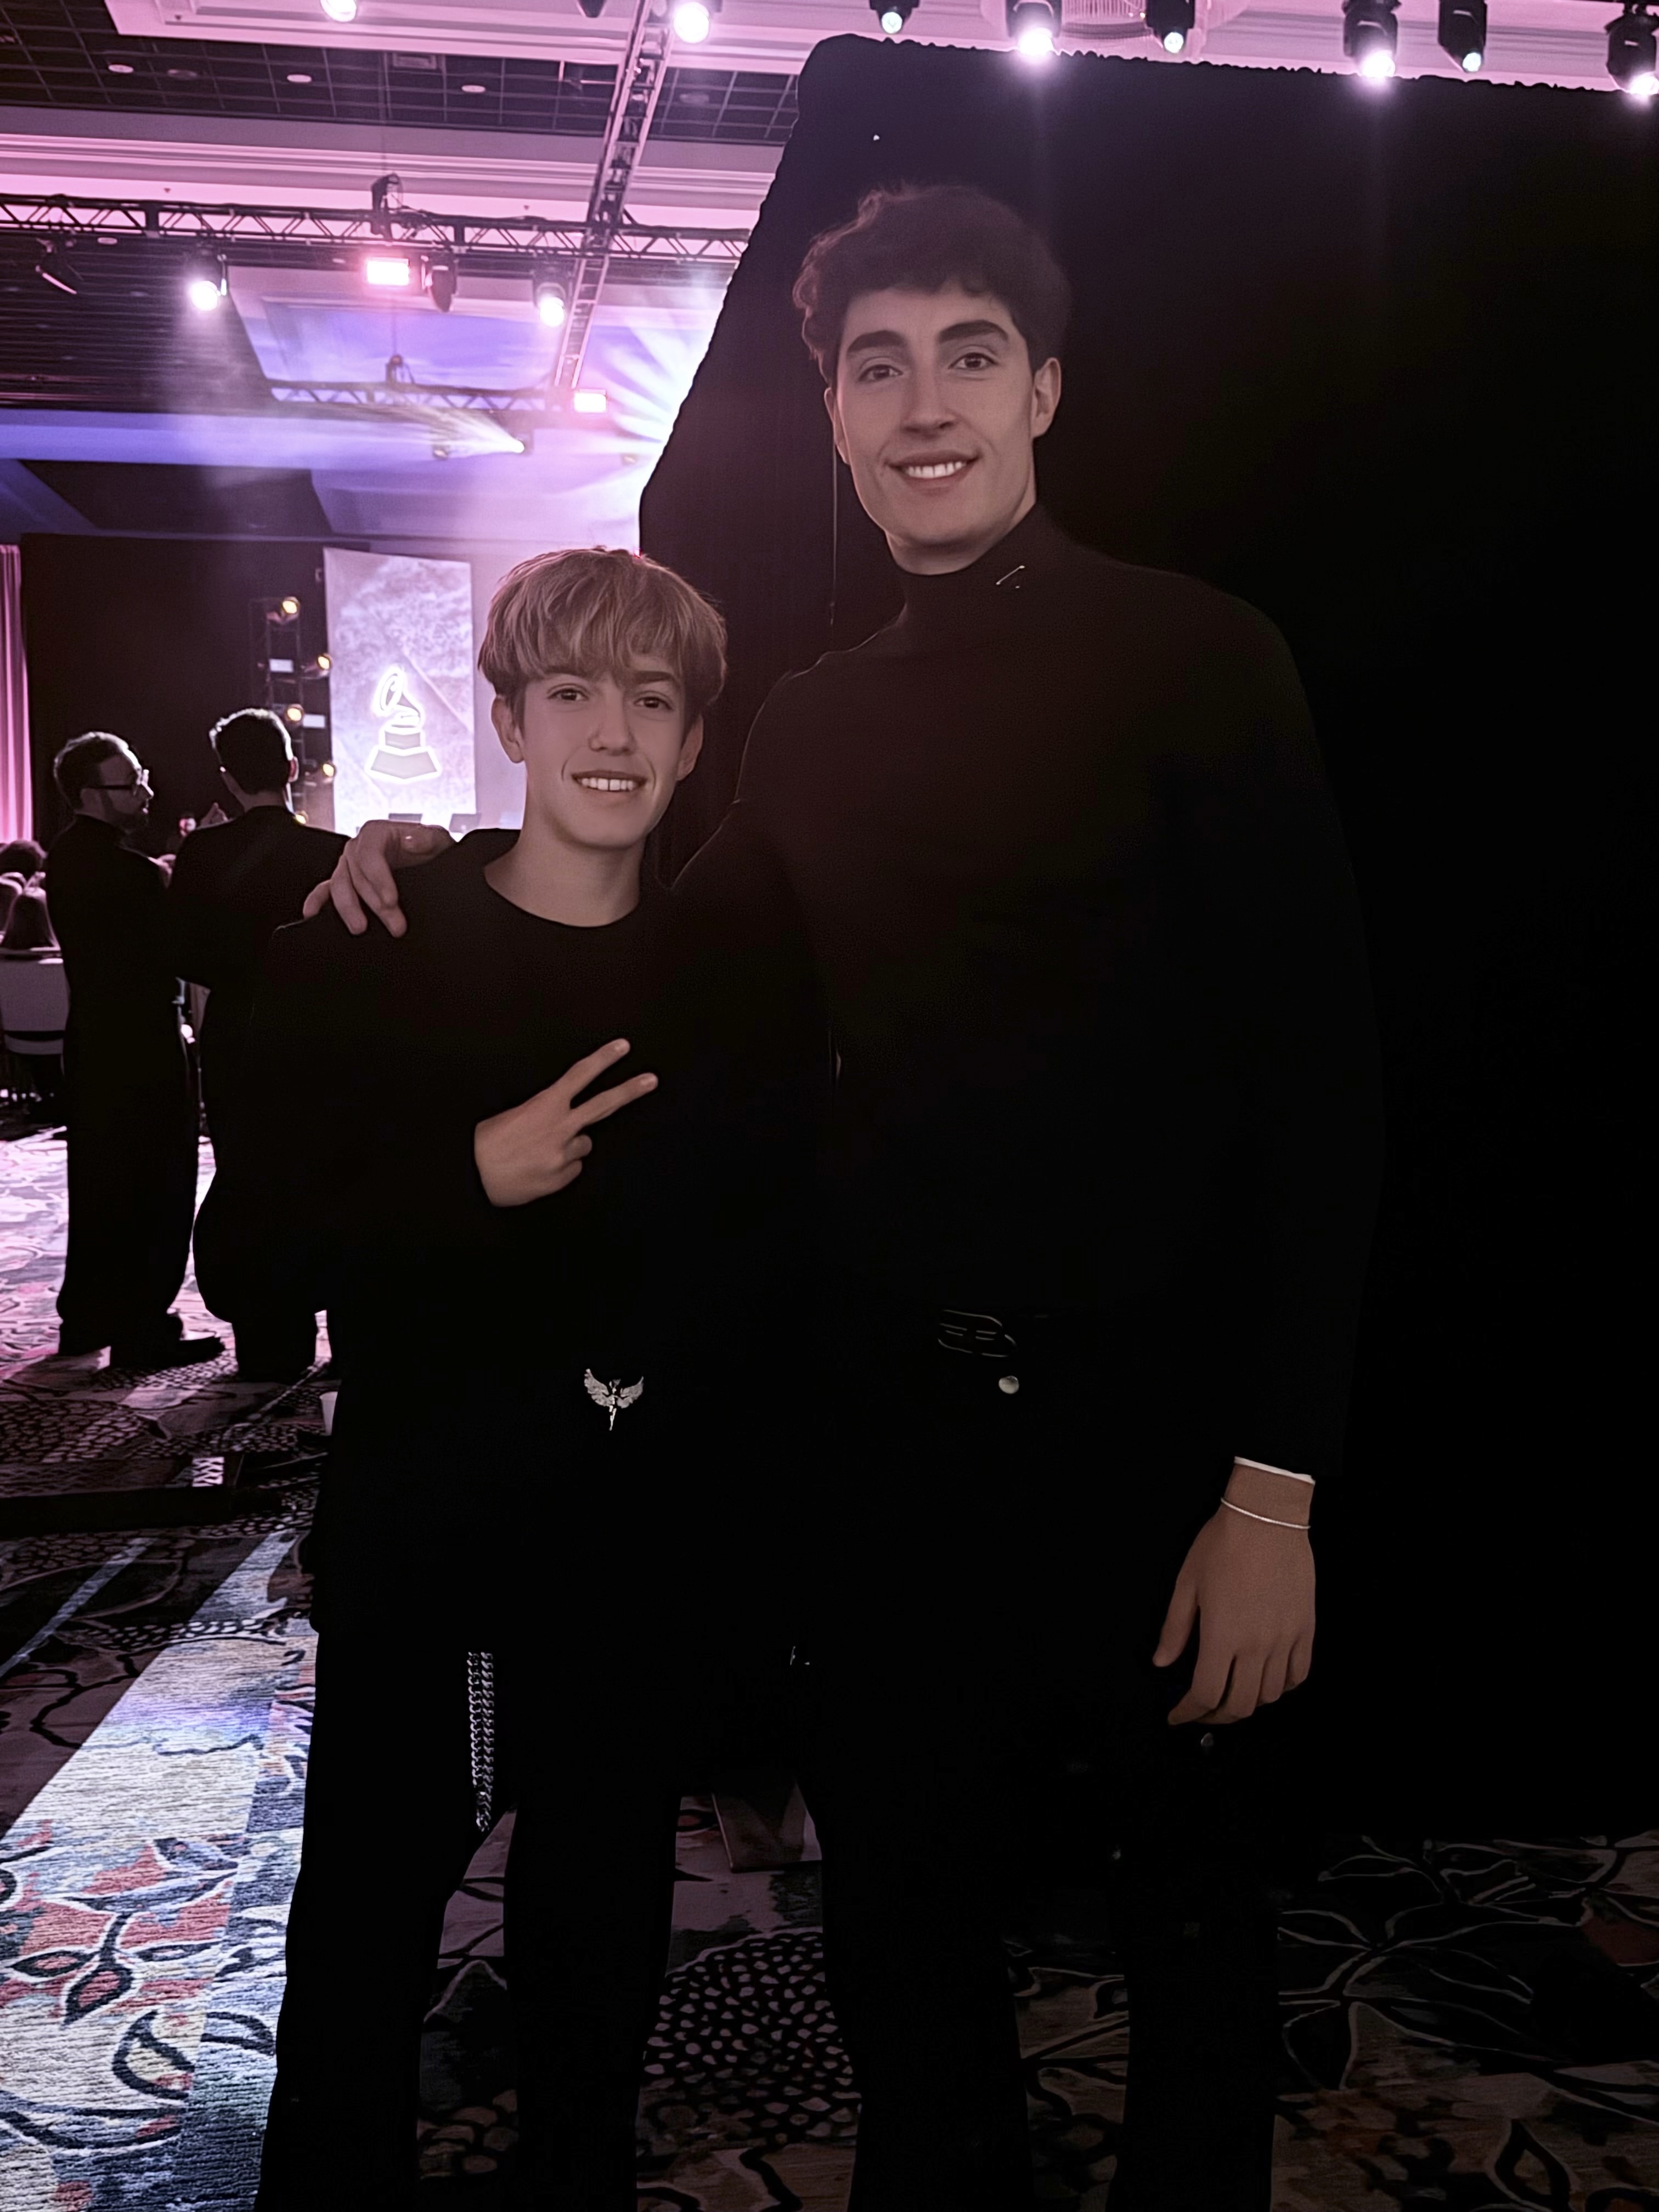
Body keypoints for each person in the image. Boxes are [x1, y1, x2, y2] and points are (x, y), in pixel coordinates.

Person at [315, 185, 1384, 2211]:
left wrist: (1274, 1490)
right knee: (904, 1945)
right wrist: (426, 857)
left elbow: (1320, 1091)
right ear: (828, 411)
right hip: (884, 1454)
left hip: (1158, 1444)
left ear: (1042, 389)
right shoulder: (811, 723)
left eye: (968, 355)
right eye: (875, 366)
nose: (922, 404)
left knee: (1192, 1938)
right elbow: (645, 947)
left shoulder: (1197, 655)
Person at [202, 549, 805, 2211]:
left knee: (601, 1949)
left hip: (634, 1568)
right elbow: (243, 1263)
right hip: (429, 1554)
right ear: (511, 720)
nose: (614, 732)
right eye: (574, 692)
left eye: (653, 699)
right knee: (365, 1942)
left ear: (693, 741)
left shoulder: (729, 983)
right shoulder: (371, 947)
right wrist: (463, 1175)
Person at [172, 708, 346, 1378]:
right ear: (293, 768)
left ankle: (270, 1347)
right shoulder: (333, 850)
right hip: (322, 1035)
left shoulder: (201, 854)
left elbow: (183, 953)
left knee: (248, 1178)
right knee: (333, 1173)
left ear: (228, 778)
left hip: (238, 1031)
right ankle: (349, 1340)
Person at [44, 734, 221, 1369]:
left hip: (91, 1037)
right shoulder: (133, 873)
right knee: (158, 1185)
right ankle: (143, 1328)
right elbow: (186, 952)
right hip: (144, 1041)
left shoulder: (62, 859)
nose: (146, 791)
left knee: (99, 1183)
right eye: (132, 783)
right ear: (91, 794)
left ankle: (87, 1317)